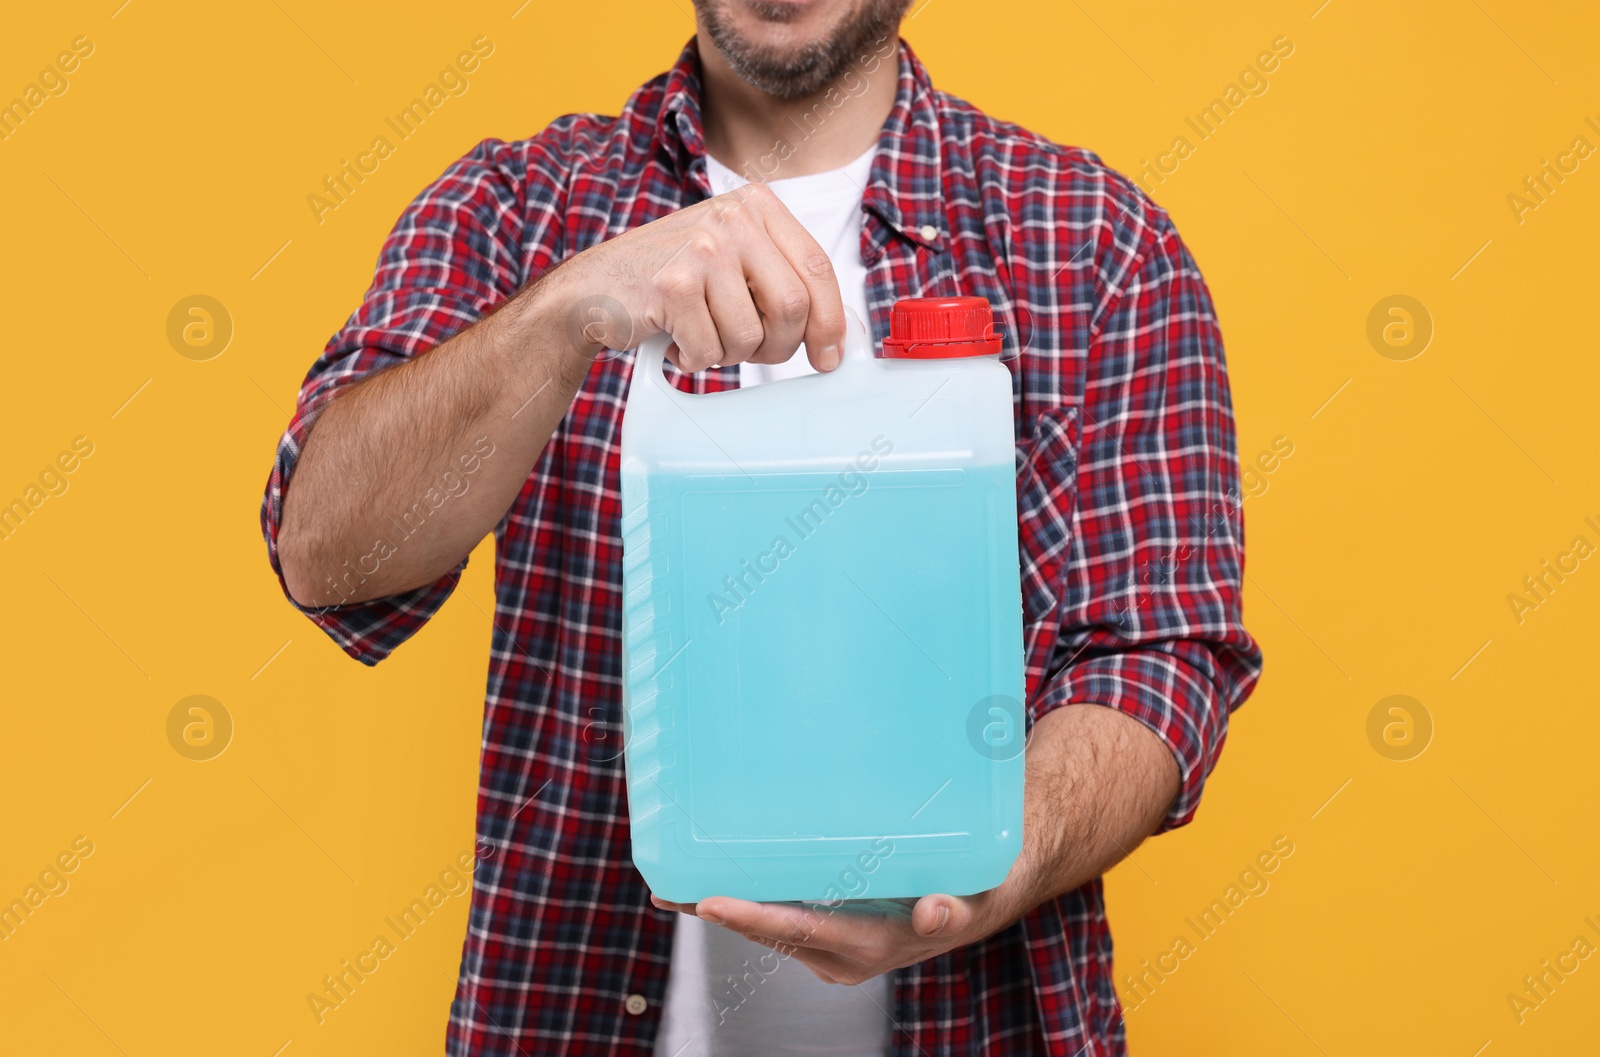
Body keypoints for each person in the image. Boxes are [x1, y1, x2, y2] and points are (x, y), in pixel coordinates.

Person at [261, 0, 1263, 1053]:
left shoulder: (1093, 243)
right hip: (575, 1013)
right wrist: (563, 313)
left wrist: (989, 861)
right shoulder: (522, 207)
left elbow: (1157, 655)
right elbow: (330, 552)